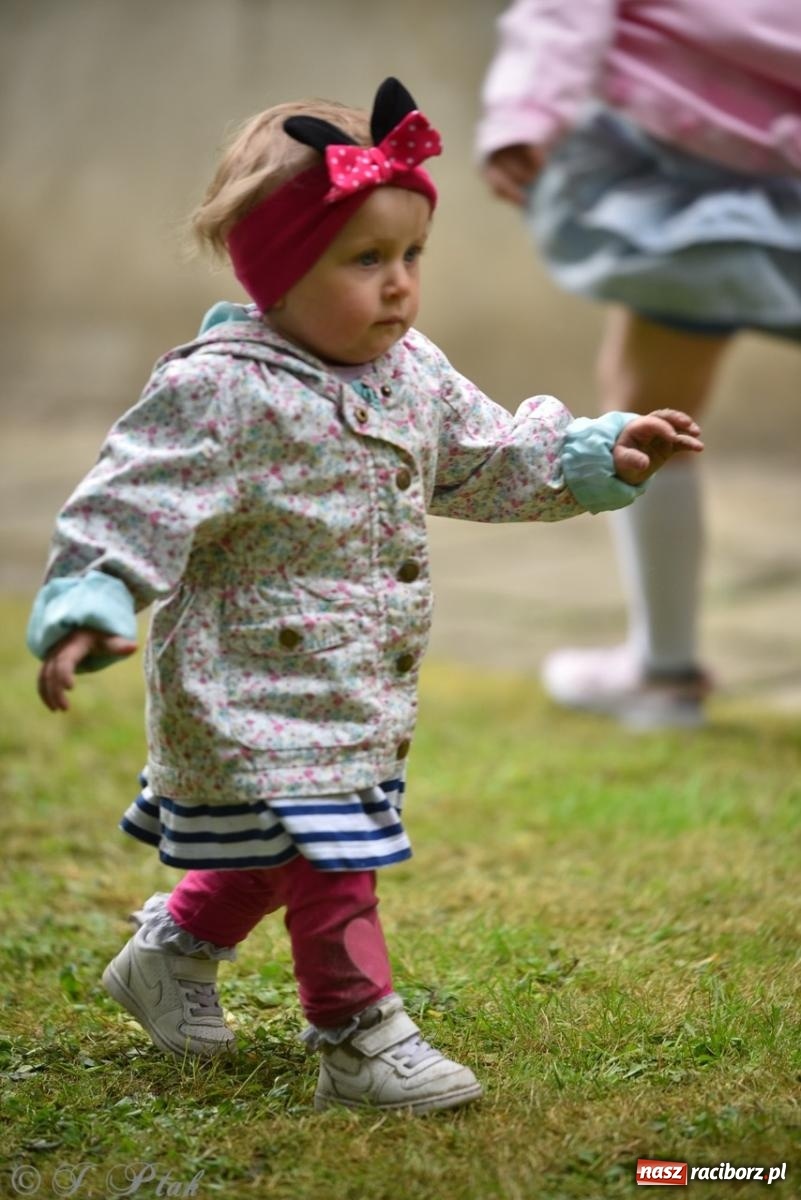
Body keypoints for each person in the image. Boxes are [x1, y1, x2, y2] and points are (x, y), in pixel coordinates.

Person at [27, 77, 702, 1115]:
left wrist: (597, 452)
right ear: (281, 271)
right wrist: (90, 602)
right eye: (364, 260)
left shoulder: (409, 373)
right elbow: (133, 498)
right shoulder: (222, 387)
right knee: (329, 858)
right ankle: (357, 1034)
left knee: (277, 851)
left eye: (410, 257)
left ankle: (167, 956)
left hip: (353, 691)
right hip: (251, 686)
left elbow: (484, 458)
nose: (398, 287)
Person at [477, 0, 801, 728]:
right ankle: (660, 666)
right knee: (655, 410)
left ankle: (663, 670)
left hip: (674, 167)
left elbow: (563, 13)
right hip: (746, 168)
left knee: (650, 405)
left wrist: (525, 112)